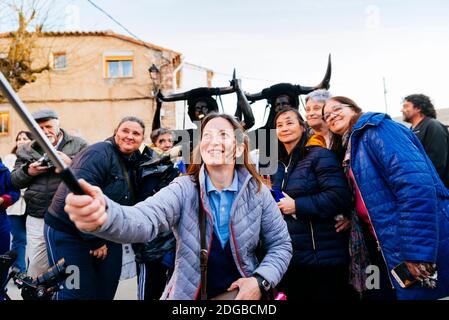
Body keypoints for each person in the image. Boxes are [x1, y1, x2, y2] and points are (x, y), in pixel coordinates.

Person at [64, 113, 292, 300]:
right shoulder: (183, 188)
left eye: (223, 134)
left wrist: (259, 280)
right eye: (207, 135)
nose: (213, 141)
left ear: (240, 148)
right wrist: (104, 214)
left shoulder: (258, 193)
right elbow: (144, 219)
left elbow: (281, 245)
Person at [322, 96, 449, 300]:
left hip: (415, 241)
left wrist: (417, 251)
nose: (331, 116)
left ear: (354, 108)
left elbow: (414, 185)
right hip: (385, 246)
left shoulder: (376, 129)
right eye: (326, 115)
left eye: (336, 109)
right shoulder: (347, 147)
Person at [44, 116, 144, 300]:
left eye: (136, 133)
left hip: (107, 232)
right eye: (125, 131)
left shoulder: (134, 161)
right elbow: (76, 194)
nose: (129, 136)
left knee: (105, 289)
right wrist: (94, 240)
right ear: (116, 133)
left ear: (142, 139)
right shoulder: (99, 153)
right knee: (75, 291)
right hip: (69, 231)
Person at [271, 107, 353, 300]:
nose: (284, 128)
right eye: (279, 125)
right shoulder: (279, 165)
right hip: (292, 259)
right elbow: (280, 198)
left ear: (302, 126)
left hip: (323, 258)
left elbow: (339, 196)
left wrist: (297, 206)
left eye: (290, 123)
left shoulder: (319, 155)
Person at [10, 109, 88, 278]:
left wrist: (70, 163)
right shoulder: (25, 149)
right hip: (37, 215)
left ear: (58, 124)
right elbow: (14, 180)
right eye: (39, 128)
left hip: (68, 215)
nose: (45, 131)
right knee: (37, 266)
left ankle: (66, 295)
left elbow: (91, 174)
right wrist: (29, 171)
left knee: (68, 264)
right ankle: (39, 294)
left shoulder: (79, 144)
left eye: (48, 126)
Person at [134, 127, 180, 300]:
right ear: (154, 144)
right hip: (150, 241)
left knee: (165, 290)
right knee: (148, 291)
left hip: (168, 240)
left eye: (170, 141)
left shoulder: (173, 165)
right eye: (162, 141)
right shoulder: (149, 166)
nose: (167, 144)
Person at [401, 94, 449, 188]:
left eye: (406, 106)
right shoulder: (411, 131)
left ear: (418, 108)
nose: (402, 110)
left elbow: (438, 162)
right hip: (421, 189)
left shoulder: (432, 125)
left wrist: (425, 185)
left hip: (436, 190)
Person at [3, 131, 33, 274]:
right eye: (18, 138)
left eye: (25, 138)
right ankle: (19, 270)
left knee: (34, 240)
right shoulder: (10, 159)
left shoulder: (36, 158)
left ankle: (33, 271)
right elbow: (12, 181)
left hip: (33, 205)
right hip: (15, 206)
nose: (21, 141)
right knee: (19, 238)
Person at [0, 159, 20, 300]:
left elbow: (14, 192)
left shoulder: (3, 170)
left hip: (1, 224)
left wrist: (4, 199)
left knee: (3, 261)